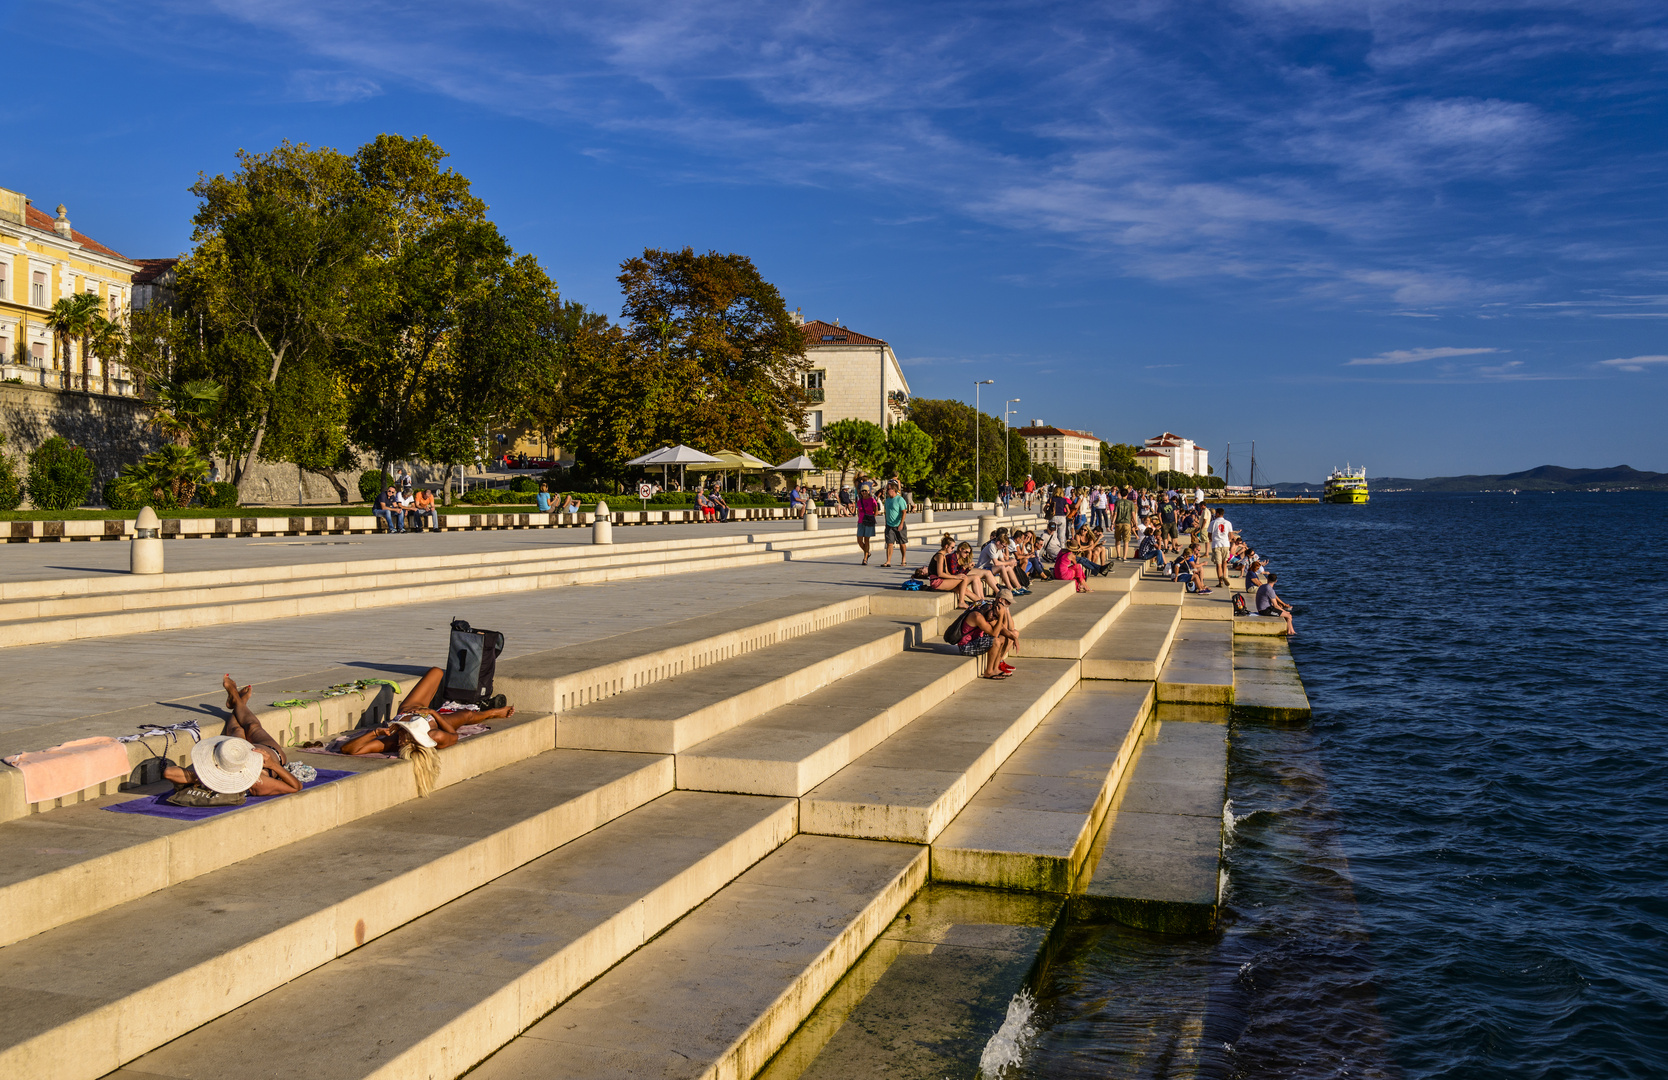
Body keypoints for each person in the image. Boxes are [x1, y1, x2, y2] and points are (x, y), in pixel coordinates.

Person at [163, 675, 305, 799]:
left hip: (257, 756)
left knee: (241, 729)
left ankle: (236, 699)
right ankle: (237, 700)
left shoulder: (254, 781)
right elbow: (295, 786)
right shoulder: (257, 782)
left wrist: (202, 778)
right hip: (270, 754)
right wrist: (273, 765)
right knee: (251, 727)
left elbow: (169, 773)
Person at [928, 534, 980, 606]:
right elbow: (940, 574)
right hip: (937, 582)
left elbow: (947, 572)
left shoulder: (943, 556)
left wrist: (958, 575)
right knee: (964, 578)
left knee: (965, 590)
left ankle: (982, 602)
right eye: (952, 547)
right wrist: (956, 577)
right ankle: (961, 602)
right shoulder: (939, 556)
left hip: (941, 581)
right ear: (946, 546)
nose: (953, 550)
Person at [881, 481, 911, 568]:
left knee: (902, 543)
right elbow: (886, 512)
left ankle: (903, 558)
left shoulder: (899, 499)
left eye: (888, 489)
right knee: (889, 543)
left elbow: (904, 512)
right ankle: (888, 561)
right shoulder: (887, 500)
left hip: (898, 524)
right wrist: (886, 522)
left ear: (893, 490)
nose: (887, 490)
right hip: (889, 525)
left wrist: (901, 524)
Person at [1256, 572, 1296, 636]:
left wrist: (1283, 608)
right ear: (1276, 581)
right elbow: (1276, 605)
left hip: (1263, 608)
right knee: (1289, 616)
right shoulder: (1270, 590)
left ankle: (1291, 631)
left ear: (1267, 579)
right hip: (1265, 611)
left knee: (1287, 616)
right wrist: (1285, 611)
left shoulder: (1263, 586)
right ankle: (1290, 633)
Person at [855, 485, 881, 565]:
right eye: (862, 491)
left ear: (868, 491)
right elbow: (858, 511)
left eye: (865, 491)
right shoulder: (860, 500)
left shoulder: (872, 500)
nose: (864, 493)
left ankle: (865, 557)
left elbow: (876, 510)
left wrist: (872, 517)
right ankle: (867, 552)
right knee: (859, 540)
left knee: (866, 540)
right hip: (861, 521)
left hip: (869, 522)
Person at [1209, 508, 1235, 588]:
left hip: (1216, 544)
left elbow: (1209, 535)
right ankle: (1225, 577)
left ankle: (1220, 581)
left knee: (1218, 564)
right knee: (1225, 563)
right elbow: (1231, 536)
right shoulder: (1228, 523)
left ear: (1217, 514)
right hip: (1225, 544)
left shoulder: (1213, 523)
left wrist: (1212, 539)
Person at [1113, 488, 1136, 560]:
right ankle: (1124, 557)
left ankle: (1118, 555)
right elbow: (1133, 513)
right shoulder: (1130, 503)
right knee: (1126, 541)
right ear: (1127, 494)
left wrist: (1112, 523)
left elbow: (1115, 513)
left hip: (1118, 523)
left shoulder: (1117, 502)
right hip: (1127, 523)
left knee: (1118, 539)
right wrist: (1135, 523)